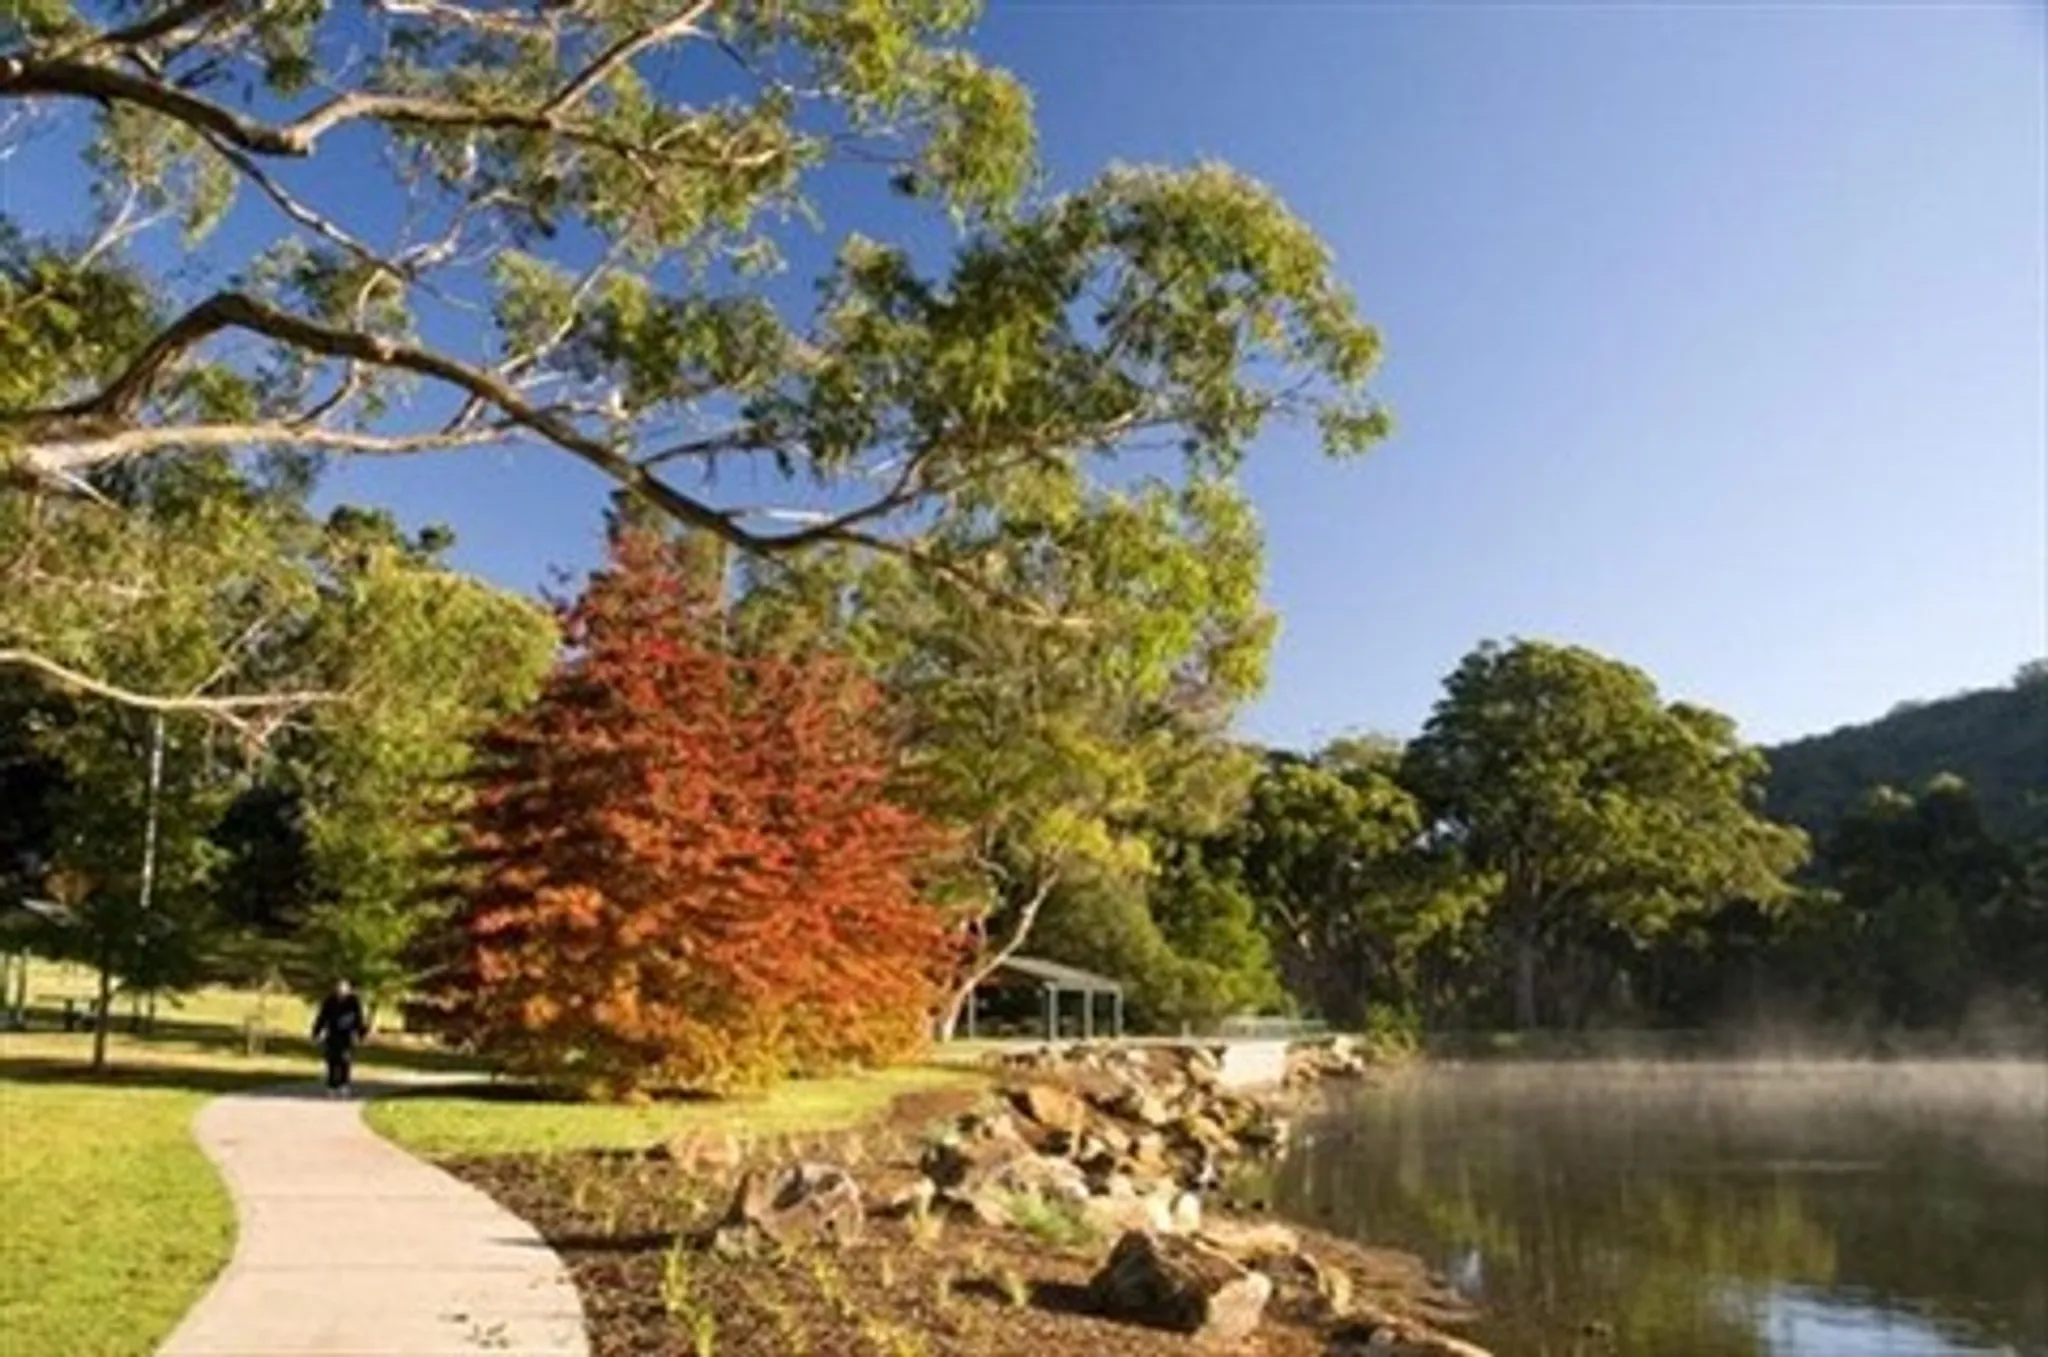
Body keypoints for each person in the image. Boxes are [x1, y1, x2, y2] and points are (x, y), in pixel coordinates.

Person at [311, 980, 369, 1098]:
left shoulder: (353, 1002)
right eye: (339, 989)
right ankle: (332, 1086)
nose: (341, 992)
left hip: (347, 1035)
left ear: (348, 990)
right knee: (332, 1060)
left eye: (344, 989)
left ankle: (344, 1085)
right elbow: (322, 1017)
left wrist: (361, 1034)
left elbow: (359, 1018)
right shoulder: (330, 1001)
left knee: (345, 1060)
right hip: (333, 1034)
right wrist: (316, 1032)